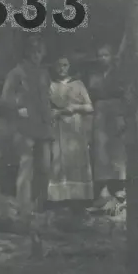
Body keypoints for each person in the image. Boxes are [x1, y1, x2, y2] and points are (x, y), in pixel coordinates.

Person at [0, 34, 54, 222]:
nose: (36, 55)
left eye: (39, 51)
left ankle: (40, 206)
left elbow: (47, 97)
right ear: (27, 52)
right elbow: (5, 99)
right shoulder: (16, 73)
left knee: (45, 167)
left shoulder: (44, 73)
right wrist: (18, 108)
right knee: (26, 166)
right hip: (25, 128)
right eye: (33, 51)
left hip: (44, 127)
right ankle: (24, 209)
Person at [47, 55, 94, 202]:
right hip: (58, 126)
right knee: (58, 160)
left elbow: (89, 106)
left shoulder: (78, 84)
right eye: (59, 65)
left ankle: (79, 198)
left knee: (76, 160)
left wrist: (75, 107)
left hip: (75, 127)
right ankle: (61, 198)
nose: (62, 68)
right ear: (54, 67)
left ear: (70, 66)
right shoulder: (50, 85)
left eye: (65, 65)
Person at [86, 43, 127, 213]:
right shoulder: (93, 76)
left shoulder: (120, 74)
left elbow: (126, 94)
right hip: (100, 114)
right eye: (100, 55)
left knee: (118, 153)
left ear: (113, 56)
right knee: (101, 152)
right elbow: (91, 95)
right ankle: (103, 190)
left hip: (116, 113)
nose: (103, 58)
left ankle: (120, 189)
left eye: (106, 55)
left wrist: (123, 117)